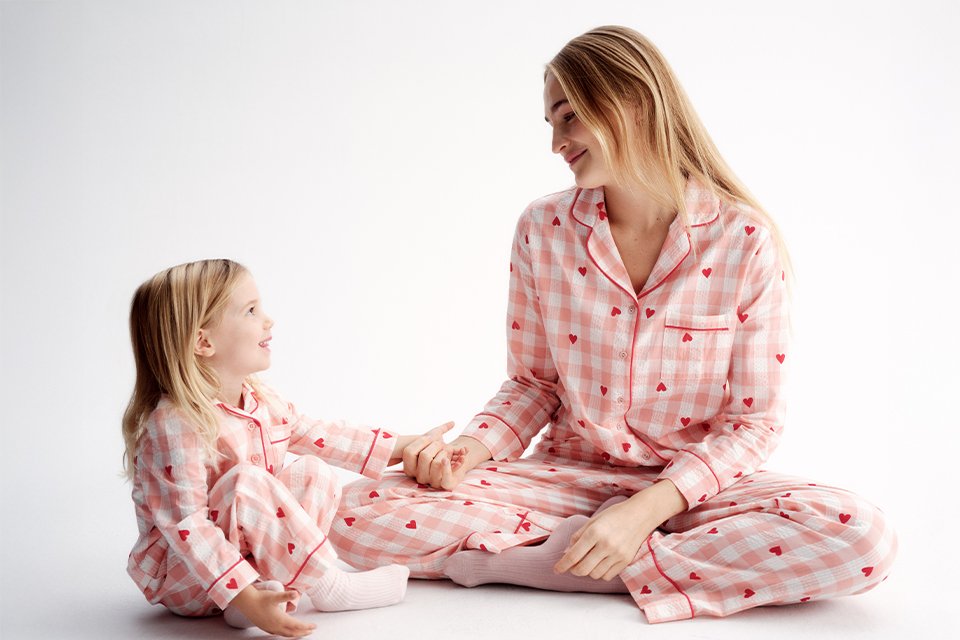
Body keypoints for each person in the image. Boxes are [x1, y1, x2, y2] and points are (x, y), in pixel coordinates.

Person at [329, 26, 897, 623]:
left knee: (862, 537)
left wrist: (646, 509)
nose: (555, 142)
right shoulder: (542, 228)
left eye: (568, 117)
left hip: (693, 491)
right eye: (551, 123)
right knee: (354, 511)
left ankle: (545, 564)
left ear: (633, 103)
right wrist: (467, 453)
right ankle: (624, 563)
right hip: (566, 480)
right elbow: (534, 386)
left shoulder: (743, 239)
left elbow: (753, 424)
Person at [122, 259, 458, 637]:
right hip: (187, 575)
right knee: (246, 483)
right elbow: (187, 526)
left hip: (243, 566)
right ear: (204, 342)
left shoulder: (260, 400)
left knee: (313, 473)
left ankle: (276, 595)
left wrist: (406, 444)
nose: (268, 321)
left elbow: (323, 435)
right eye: (251, 311)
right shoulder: (174, 423)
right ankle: (325, 586)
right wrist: (239, 594)